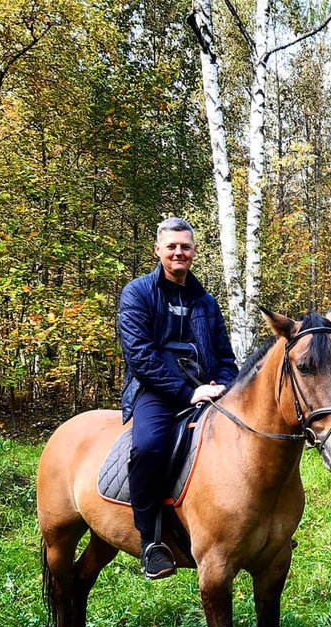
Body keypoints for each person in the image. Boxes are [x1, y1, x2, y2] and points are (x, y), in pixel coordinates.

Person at [118, 217, 239, 579]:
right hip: (155, 392)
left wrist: (225, 386)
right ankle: (151, 542)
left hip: (204, 390)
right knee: (149, 447)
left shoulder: (206, 301)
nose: (178, 252)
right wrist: (188, 392)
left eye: (185, 246)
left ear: (194, 251)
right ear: (158, 250)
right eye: (171, 246)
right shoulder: (137, 293)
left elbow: (224, 356)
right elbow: (139, 357)